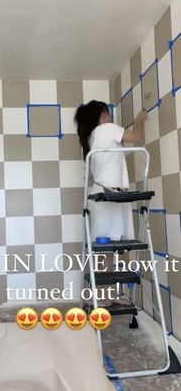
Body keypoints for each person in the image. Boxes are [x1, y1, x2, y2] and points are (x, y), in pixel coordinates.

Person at [74, 100, 147, 306]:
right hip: (111, 197)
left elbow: (90, 175)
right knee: (108, 249)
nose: (111, 116)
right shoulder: (107, 129)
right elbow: (137, 137)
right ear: (103, 113)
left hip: (101, 196)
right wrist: (140, 120)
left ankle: (104, 295)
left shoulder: (91, 138)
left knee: (105, 248)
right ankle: (102, 297)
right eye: (109, 112)